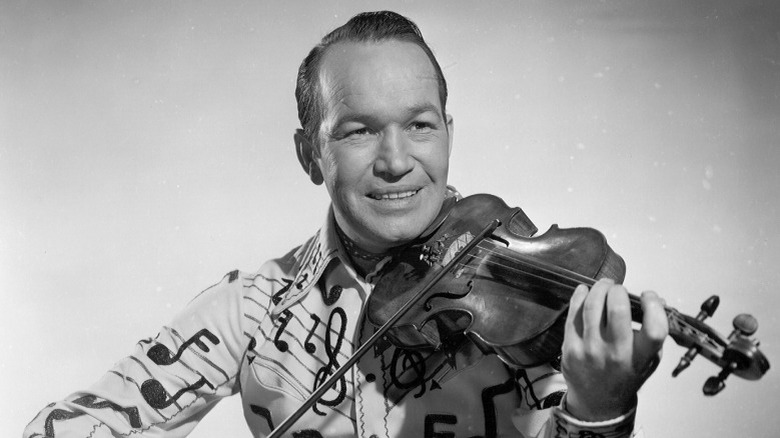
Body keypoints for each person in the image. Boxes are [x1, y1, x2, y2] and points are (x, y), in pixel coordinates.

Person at [24, 11, 668, 438]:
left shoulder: (528, 303)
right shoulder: (252, 310)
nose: (396, 162)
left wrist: (599, 408)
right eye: (359, 131)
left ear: (448, 134)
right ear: (311, 155)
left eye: (420, 125)